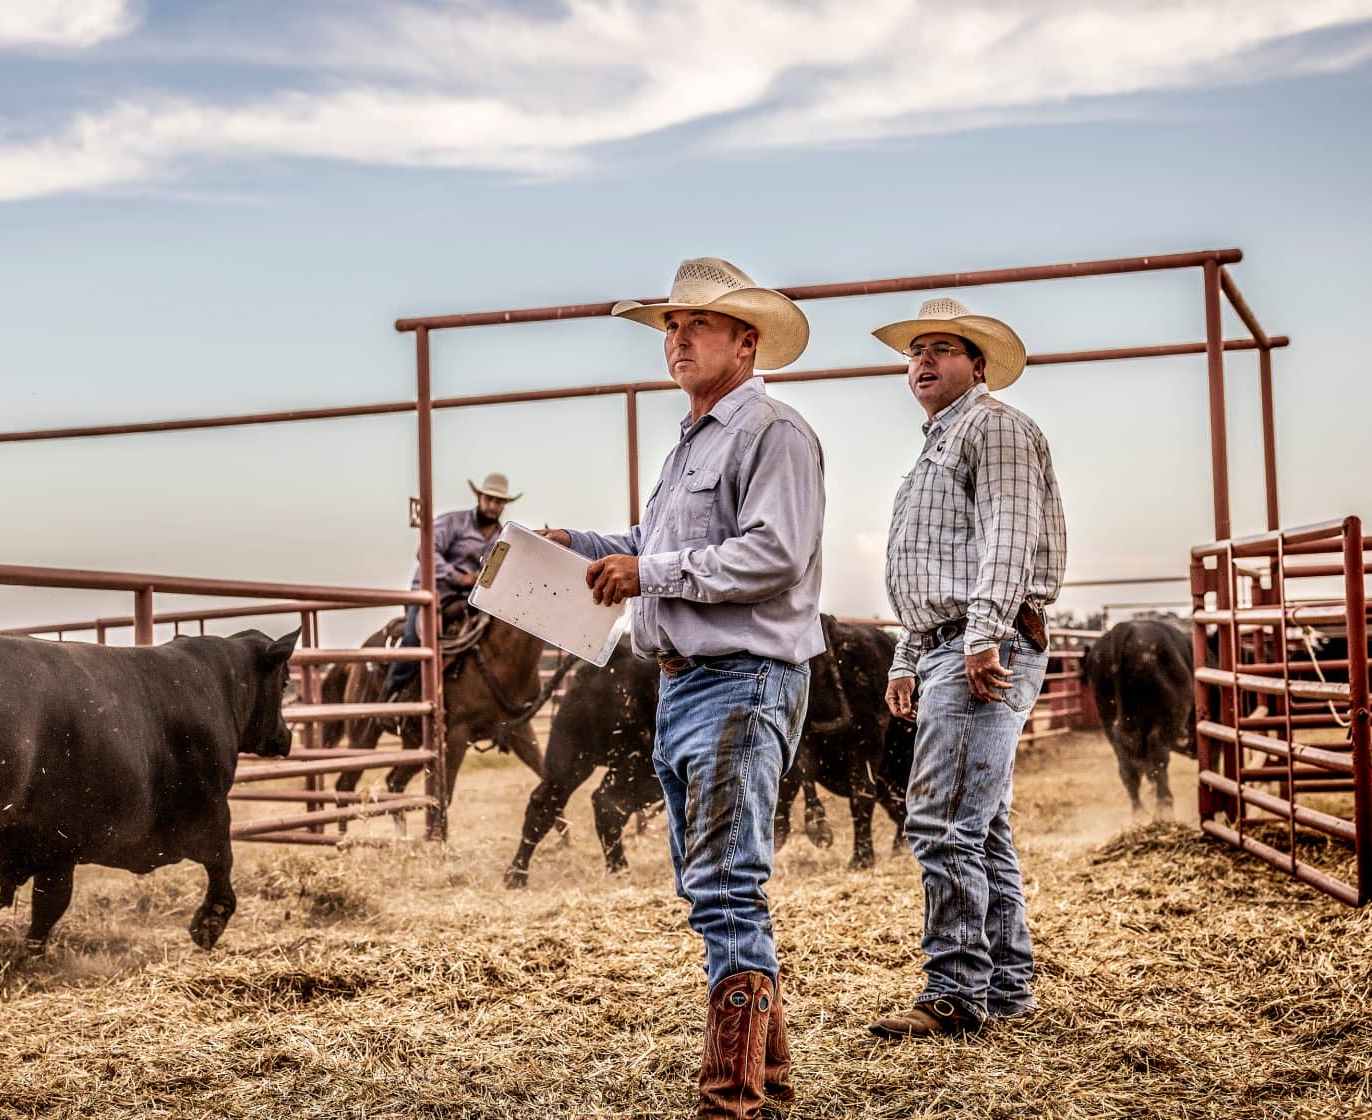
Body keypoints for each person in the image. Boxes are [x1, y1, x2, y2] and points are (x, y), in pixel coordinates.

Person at [541, 256, 824, 1116]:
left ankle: (729, 1101)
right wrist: (580, 545)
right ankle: (762, 1082)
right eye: (670, 325)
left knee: (727, 882)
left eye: (694, 324)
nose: (675, 339)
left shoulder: (774, 433)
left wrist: (648, 569)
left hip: (742, 677)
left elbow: (775, 552)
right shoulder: (694, 443)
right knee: (712, 880)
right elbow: (648, 537)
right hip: (691, 683)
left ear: (746, 341)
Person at [870, 297, 1067, 1039]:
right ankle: (1007, 987)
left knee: (942, 821)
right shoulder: (940, 443)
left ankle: (954, 993)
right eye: (916, 351)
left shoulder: (994, 425)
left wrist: (982, 635)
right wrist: (906, 654)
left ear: (977, 366)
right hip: (952, 640)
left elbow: (1008, 540)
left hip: (983, 641)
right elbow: (927, 569)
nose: (922, 362)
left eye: (942, 350)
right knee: (977, 827)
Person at [380, 474, 520, 696]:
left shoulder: (501, 539)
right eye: (489, 499)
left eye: (499, 502)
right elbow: (426, 551)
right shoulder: (454, 522)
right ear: (479, 497)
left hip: (467, 597)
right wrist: (457, 577)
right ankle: (391, 692)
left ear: (504, 505)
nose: (493, 506)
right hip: (432, 591)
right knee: (416, 639)